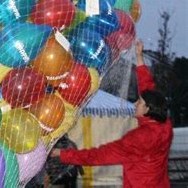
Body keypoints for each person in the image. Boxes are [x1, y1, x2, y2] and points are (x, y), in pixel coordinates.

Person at [51, 40, 173, 187]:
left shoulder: (140, 138)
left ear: (148, 109)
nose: (135, 104)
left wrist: (63, 154)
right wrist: (139, 57)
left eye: (139, 102)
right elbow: (148, 88)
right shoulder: (165, 126)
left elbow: (101, 155)